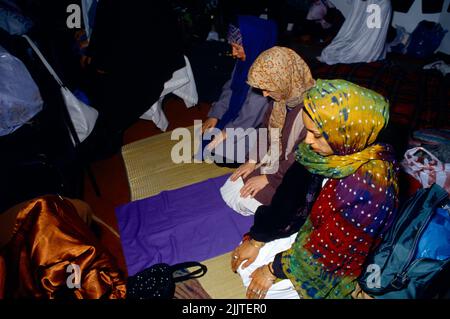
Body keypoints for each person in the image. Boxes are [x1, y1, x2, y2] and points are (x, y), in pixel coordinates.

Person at [231, 79, 399, 299]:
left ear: (345, 132)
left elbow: (331, 253)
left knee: (263, 284)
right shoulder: (319, 153)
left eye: (317, 135)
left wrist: (272, 270)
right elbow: (288, 199)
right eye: (308, 131)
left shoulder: (368, 187)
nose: (308, 141)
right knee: (246, 268)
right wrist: (256, 239)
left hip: (333, 259)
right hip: (311, 229)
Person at [220, 46, 315, 216]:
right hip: (277, 162)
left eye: (268, 88)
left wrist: (267, 178)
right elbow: (265, 130)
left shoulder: (312, 110)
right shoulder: (280, 100)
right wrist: (252, 160)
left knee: (246, 199)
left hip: (297, 173)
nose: (264, 95)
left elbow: (301, 157)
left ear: (284, 79)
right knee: (232, 188)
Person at [198, 15, 277, 166]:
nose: (234, 53)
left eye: (238, 48)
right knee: (207, 138)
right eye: (232, 47)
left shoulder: (267, 74)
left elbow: (253, 115)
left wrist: (226, 133)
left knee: (219, 156)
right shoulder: (246, 60)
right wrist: (215, 115)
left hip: (257, 125)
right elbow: (230, 88)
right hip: (239, 115)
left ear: (253, 44)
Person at [318, 0, 392, 65]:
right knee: (334, 50)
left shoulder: (380, 4)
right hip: (359, 33)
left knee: (357, 53)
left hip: (368, 40)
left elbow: (372, 34)